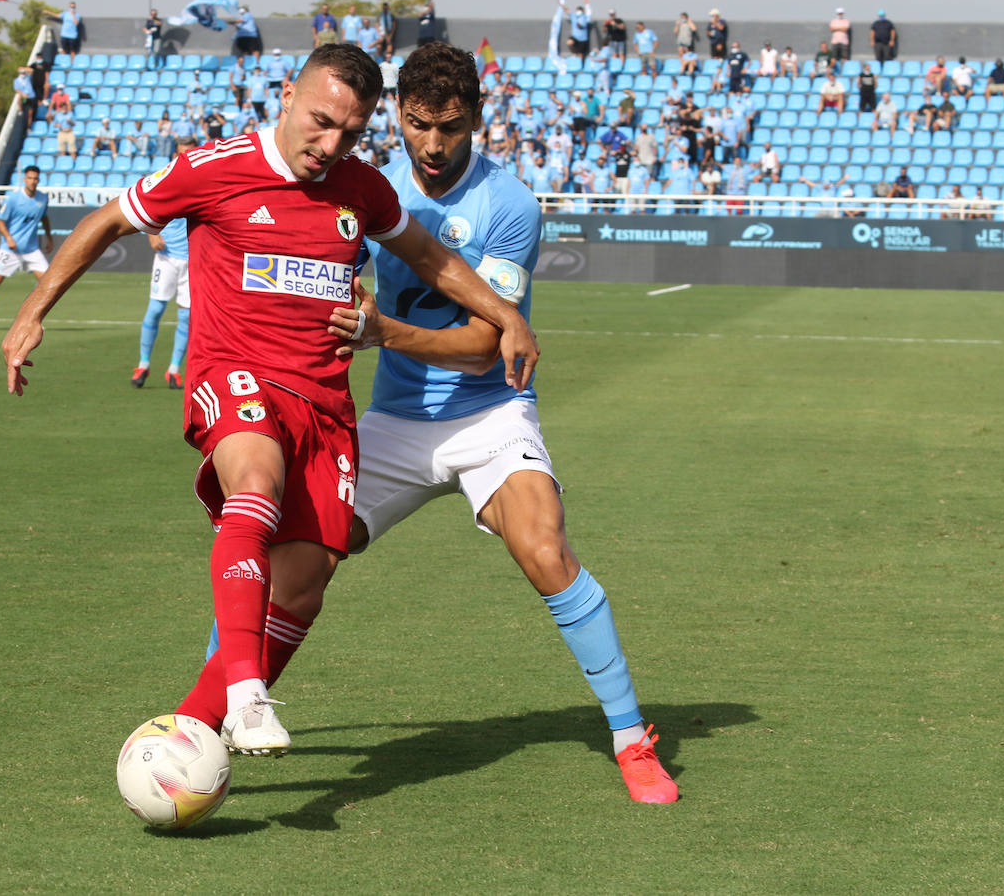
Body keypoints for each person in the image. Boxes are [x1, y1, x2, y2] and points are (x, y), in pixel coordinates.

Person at [0, 44, 540, 757]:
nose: (330, 145)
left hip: (322, 399)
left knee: (304, 585)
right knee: (254, 482)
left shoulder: (361, 187)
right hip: (234, 374)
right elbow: (108, 220)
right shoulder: (210, 168)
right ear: (287, 95)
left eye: (350, 133)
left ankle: (189, 729)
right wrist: (35, 309)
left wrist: (509, 315)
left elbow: (432, 260)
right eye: (320, 123)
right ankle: (248, 696)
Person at [204, 42, 676, 802]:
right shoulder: (363, 188)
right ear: (396, 115)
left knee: (545, 548)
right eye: (419, 125)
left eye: (450, 128)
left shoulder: (510, 206)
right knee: (293, 569)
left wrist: (379, 330)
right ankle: (208, 717)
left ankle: (630, 737)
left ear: (477, 121)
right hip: (393, 420)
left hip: (488, 411)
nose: (432, 144)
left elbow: (482, 347)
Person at [132, 136, 198, 388]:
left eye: (189, 152)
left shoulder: (206, 181)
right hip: (167, 258)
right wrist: (152, 235)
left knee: (185, 317)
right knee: (156, 309)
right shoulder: (164, 178)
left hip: (193, 262)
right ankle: (143, 364)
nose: (185, 157)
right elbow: (145, 208)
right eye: (181, 153)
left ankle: (173, 369)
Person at [0, 165, 53, 332]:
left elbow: (44, 218)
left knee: (48, 283)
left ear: (39, 180)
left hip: (31, 249)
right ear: (24, 179)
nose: (33, 181)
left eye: (35, 178)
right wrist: (9, 238)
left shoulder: (43, 199)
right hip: (10, 249)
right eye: (30, 178)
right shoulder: (13, 199)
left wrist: (49, 237)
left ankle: (32, 319)